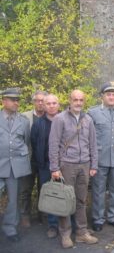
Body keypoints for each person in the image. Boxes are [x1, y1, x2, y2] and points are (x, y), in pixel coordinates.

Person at [49, 89, 98, 249]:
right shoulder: (59, 119)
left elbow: (93, 144)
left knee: (81, 200)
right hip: (67, 165)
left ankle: (82, 233)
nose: (78, 103)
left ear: (84, 102)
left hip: (84, 165)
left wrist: (94, 164)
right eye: (75, 99)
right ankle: (65, 234)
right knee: (65, 201)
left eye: (81, 100)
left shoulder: (88, 120)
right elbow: (53, 144)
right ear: (69, 101)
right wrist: (54, 167)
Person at [88, 82, 114, 231]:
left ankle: (113, 217)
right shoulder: (92, 113)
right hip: (100, 158)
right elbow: (89, 137)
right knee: (98, 190)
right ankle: (98, 219)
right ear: (102, 96)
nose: (111, 97)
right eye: (108, 94)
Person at [0, 88, 31, 242]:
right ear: (3, 101)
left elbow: (26, 142)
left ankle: (10, 228)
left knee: (13, 199)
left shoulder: (23, 121)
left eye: (17, 100)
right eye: (12, 100)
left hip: (15, 166)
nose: (16, 103)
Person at [31, 94, 61, 239]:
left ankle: (68, 224)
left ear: (58, 105)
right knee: (50, 196)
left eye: (54, 103)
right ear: (44, 105)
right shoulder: (38, 123)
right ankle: (52, 225)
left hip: (64, 165)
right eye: (48, 103)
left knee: (66, 194)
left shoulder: (65, 120)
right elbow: (34, 143)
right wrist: (40, 164)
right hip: (45, 166)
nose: (51, 106)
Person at [19, 90, 47, 228]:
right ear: (33, 102)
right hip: (28, 160)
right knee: (26, 189)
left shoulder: (52, 117)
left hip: (44, 161)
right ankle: (25, 215)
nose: (40, 103)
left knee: (44, 189)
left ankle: (43, 214)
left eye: (43, 100)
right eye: (37, 100)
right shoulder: (24, 117)